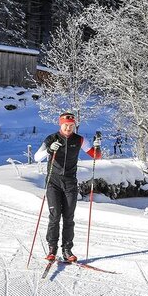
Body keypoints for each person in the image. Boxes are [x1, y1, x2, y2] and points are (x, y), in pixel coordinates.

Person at [34, 112, 101, 262]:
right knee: (55, 215)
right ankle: (52, 248)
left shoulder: (79, 140)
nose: (69, 128)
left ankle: (67, 250)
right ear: (60, 124)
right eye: (66, 125)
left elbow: (96, 156)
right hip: (53, 182)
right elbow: (37, 157)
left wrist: (97, 147)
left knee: (69, 217)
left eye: (71, 125)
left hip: (70, 182)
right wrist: (49, 149)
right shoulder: (51, 138)